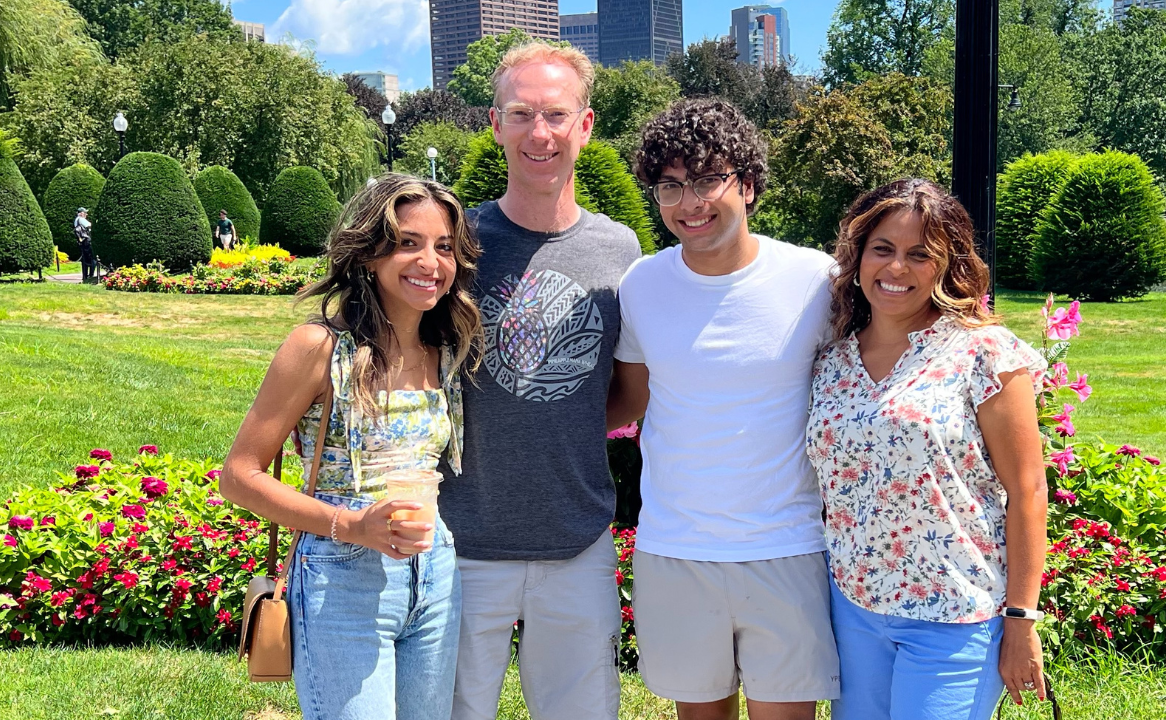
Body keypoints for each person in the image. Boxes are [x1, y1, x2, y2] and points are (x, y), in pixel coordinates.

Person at [606, 98, 841, 720]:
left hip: (786, 548)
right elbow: (630, 398)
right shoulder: (642, 284)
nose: (691, 202)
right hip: (677, 548)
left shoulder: (816, 279)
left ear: (750, 184)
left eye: (710, 179)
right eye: (671, 185)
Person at [219, 174, 483, 720]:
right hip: (342, 575)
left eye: (444, 247)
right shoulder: (319, 347)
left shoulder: (447, 350)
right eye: (408, 243)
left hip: (434, 572)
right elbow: (239, 476)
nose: (430, 262)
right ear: (368, 255)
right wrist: (354, 526)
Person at [436, 41, 641, 720]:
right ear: (495, 124)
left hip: (576, 542)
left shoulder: (620, 250)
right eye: (521, 114)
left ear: (584, 126)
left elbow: (626, 392)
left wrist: (563, 416)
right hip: (461, 540)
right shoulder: (454, 242)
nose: (539, 133)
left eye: (556, 114)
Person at [806, 179, 1049, 720]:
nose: (897, 269)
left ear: (947, 265)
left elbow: (1029, 489)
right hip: (854, 610)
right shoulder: (830, 360)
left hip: (955, 616)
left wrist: (1021, 620)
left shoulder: (982, 351)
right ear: (858, 256)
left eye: (920, 255)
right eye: (883, 249)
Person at [74, 208, 96, 283]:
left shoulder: (76, 220)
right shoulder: (81, 219)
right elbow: (90, 226)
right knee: (93, 258)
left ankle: (85, 276)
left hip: (82, 241)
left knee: (84, 259)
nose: (86, 214)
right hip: (87, 241)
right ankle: (91, 276)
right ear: (81, 213)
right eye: (85, 213)